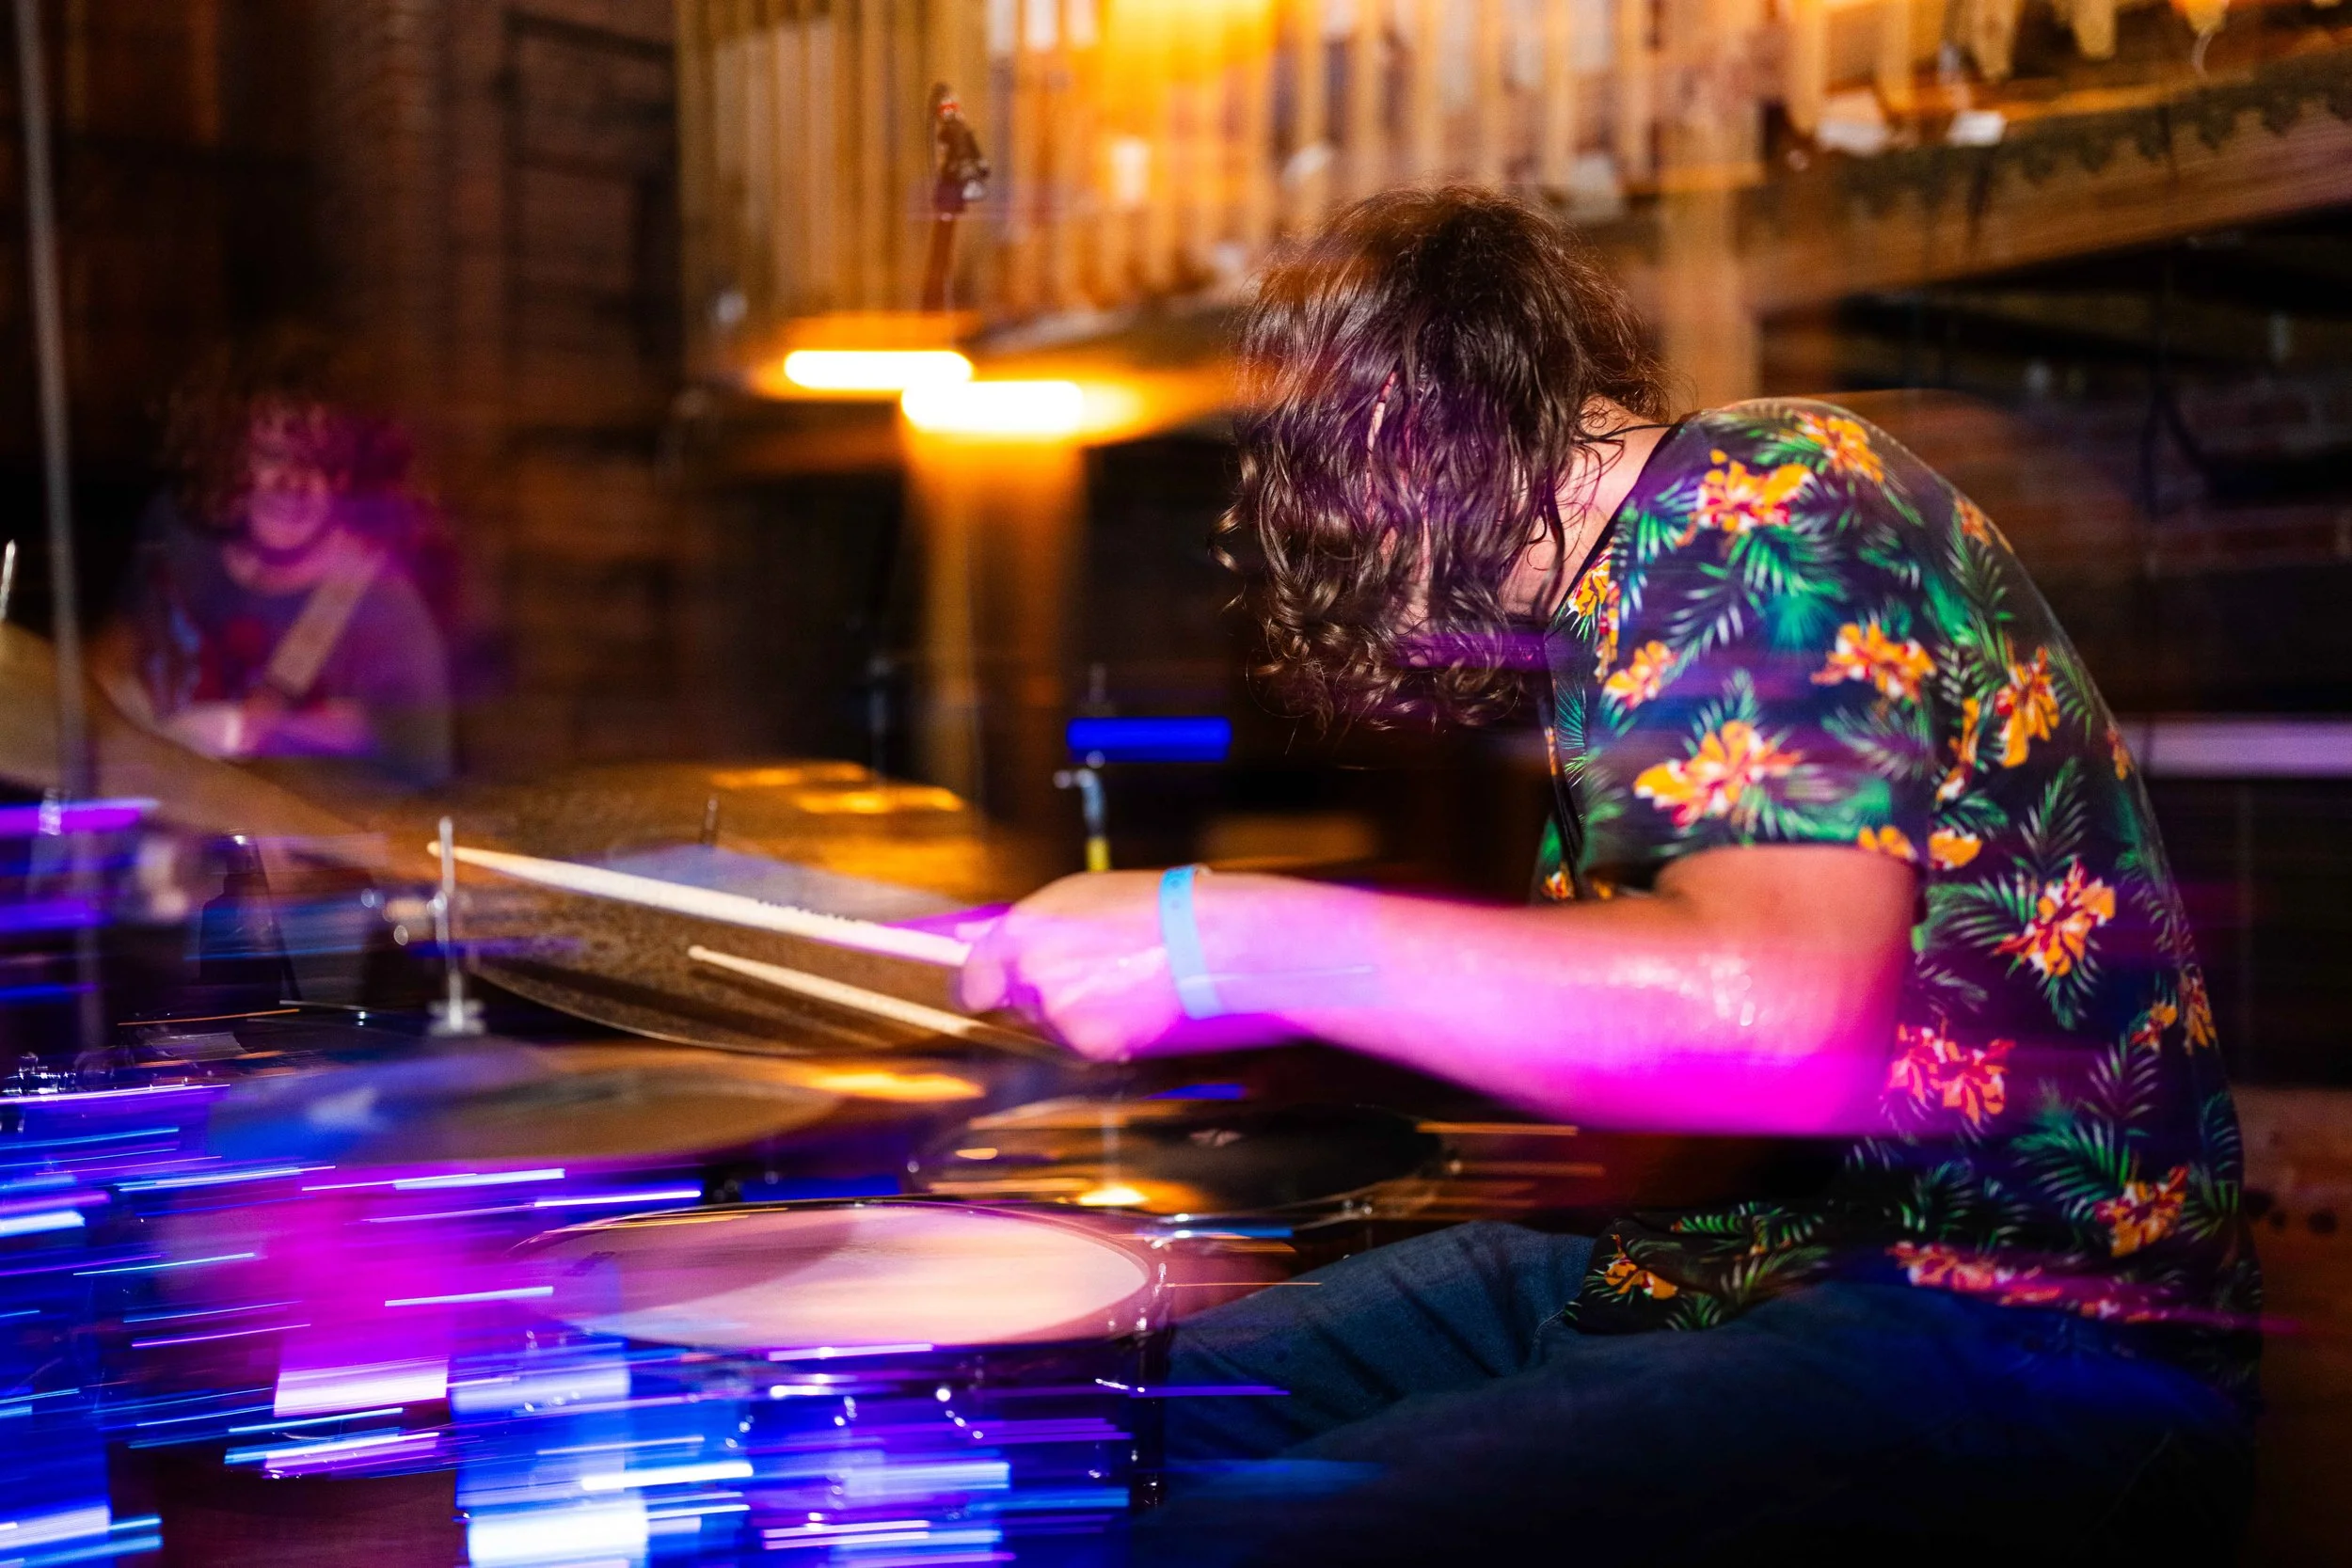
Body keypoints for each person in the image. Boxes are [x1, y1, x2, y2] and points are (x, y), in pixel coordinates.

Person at [959, 189, 2258, 1560]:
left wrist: (1211, 936)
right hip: (1724, 1273)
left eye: (1311, 487)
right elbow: (1689, 1104)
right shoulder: (1625, 618)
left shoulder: (1754, 503)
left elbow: (1768, 1018)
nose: (1318, 547)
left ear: (1399, 426)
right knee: (1091, 1437)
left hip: (2022, 1341)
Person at [94, 334, 454, 790]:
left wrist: (286, 733)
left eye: (318, 463)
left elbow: (422, 800)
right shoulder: (179, 533)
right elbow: (121, 642)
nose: (292, 484)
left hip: (305, 849)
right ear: (227, 454)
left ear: (350, 475)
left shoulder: (386, 616)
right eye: (270, 455)